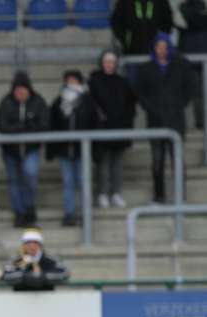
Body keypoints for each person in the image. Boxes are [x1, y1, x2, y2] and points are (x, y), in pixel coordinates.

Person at [135, 33, 195, 204]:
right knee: (157, 161)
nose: (162, 49)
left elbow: (190, 87)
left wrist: (180, 104)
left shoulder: (180, 65)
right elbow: (140, 92)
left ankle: (180, 196)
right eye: (158, 46)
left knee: (177, 161)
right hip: (155, 120)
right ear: (154, 48)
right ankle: (159, 196)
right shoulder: (146, 69)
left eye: (165, 46)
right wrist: (150, 108)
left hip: (175, 120)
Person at [0, 71, 49, 228]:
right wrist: (22, 127)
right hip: (11, 151)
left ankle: (29, 209)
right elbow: (3, 125)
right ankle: (19, 213)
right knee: (14, 181)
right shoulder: (6, 103)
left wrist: (26, 127)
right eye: (17, 90)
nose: (20, 93)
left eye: (23, 90)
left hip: (30, 149)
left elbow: (43, 124)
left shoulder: (38, 102)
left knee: (29, 176)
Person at [46, 70, 97, 227]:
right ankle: (69, 214)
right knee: (68, 182)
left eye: (74, 80)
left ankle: (84, 214)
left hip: (82, 149)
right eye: (68, 80)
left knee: (83, 182)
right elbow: (52, 125)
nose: (71, 83)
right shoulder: (58, 101)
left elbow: (93, 123)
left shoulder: (87, 100)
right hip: (64, 149)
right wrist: (51, 149)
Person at [88, 50, 137, 209]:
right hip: (101, 129)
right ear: (102, 63)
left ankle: (116, 193)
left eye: (112, 62)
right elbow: (92, 105)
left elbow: (131, 105)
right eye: (106, 62)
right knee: (102, 164)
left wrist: (126, 122)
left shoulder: (123, 82)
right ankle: (102, 193)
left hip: (120, 127)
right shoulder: (94, 81)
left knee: (117, 163)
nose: (109, 65)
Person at [0, 229, 69, 291]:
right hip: (20, 301)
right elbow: (2, 274)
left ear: (40, 245)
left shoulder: (50, 260)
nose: (32, 247)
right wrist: (24, 276)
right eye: (28, 244)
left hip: (47, 301)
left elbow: (64, 273)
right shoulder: (16, 261)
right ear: (23, 246)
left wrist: (43, 276)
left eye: (35, 243)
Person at [180, 0, 207, 129]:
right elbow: (189, 22)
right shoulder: (183, 7)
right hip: (192, 55)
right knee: (196, 92)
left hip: (194, 53)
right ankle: (200, 121)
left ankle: (201, 121)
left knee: (198, 92)